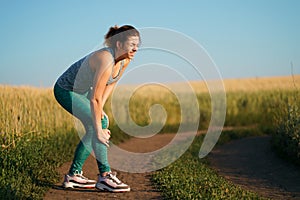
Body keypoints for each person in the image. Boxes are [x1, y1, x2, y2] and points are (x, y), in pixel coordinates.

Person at [53, 25, 140, 192]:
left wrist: (101, 111)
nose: (135, 48)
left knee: (100, 120)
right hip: (66, 90)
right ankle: (104, 176)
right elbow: (95, 98)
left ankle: (75, 175)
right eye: (132, 44)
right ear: (119, 44)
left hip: (83, 92)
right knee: (97, 125)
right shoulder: (105, 59)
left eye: (137, 44)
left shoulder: (125, 60)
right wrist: (99, 128)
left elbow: (111, 84)